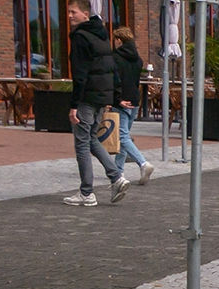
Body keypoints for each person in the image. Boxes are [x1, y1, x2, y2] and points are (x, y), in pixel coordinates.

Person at [64, 0, 128, 207]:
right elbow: (111, 68)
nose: (70, 16)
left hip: (87, 97)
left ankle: (86, 192)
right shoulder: (101, 35)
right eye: (68, 12)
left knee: (82, 143)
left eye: (73, 12)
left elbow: (80, 74)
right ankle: (116, 177)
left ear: (85, 14)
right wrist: (114, 97)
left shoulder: (81, 38)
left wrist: (74, 105)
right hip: (102, 97)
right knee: (92, 139)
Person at [110, 27, 153, 186]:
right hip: (134, 100)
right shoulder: (138, 59)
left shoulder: (114, 58)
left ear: (119, 41)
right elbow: (134, 81)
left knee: (122, 137)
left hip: (122, 101)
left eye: (114, 40)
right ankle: (118, 172)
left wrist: (116, 99)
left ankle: (143, 163)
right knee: (124, 136)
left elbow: (114, 81)